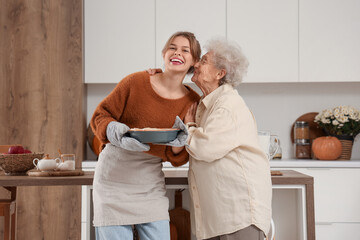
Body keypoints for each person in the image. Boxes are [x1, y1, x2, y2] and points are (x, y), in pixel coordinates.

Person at [90, 31, 201, 240]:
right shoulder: (136, 81)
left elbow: (176, 156)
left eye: (185, 50)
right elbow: (99, 116)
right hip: (113, 179)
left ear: (194, 61)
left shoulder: (192, 102)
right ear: (164, 53)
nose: (177, 53)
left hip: (149, 184)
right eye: (172, 47)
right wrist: (118, 132)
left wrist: (185, 133)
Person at [183, 38, 272, 240]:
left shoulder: (227, 105)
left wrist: (189, 127)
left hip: (238, 217)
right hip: (225, 218)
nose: (196, 64)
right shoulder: (211, 104)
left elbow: (204, 148)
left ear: (220, 73)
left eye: (204, 61)